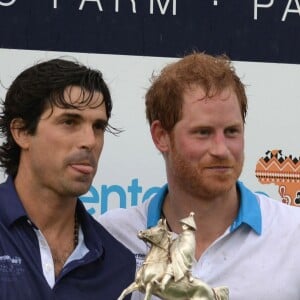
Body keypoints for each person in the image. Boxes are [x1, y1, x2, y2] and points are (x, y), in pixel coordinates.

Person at [99, 52, 300, 299]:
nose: (221, 149)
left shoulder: (293, 234)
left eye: (232, 131)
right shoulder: (111, 236)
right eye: (203, 132)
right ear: (161, 136)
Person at [0, 58, 135, 299]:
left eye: (98, 127)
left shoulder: (119, 264)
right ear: (21, 132)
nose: (90, 141)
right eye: (69, 122)